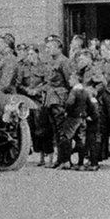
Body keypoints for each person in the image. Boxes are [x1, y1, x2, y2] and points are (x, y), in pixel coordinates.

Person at [19, 44, 53, 166]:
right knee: (31, 128)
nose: (30, 56)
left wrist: (37, 90)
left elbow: (48, 83)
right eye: (28, 54)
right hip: (28, 100)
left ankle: (49, 156)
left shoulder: (44, 67)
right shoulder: (24, 68)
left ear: (37, 54)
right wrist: (26, 90)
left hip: (40, 101)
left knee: (43, 129)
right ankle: (40, 157)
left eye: (32, 54)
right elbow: (19, 83)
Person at [42, 35, 73, 167]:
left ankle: (66, 160)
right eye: (46, 47)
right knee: (56, 130)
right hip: (51, 99)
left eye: (49, 47)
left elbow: (70, 83)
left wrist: (70, 102)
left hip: (60, 99)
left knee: (62, 130)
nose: (47, 50)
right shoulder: (51, 62)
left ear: (58, 48)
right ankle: (60, 159)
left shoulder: (64, 62)